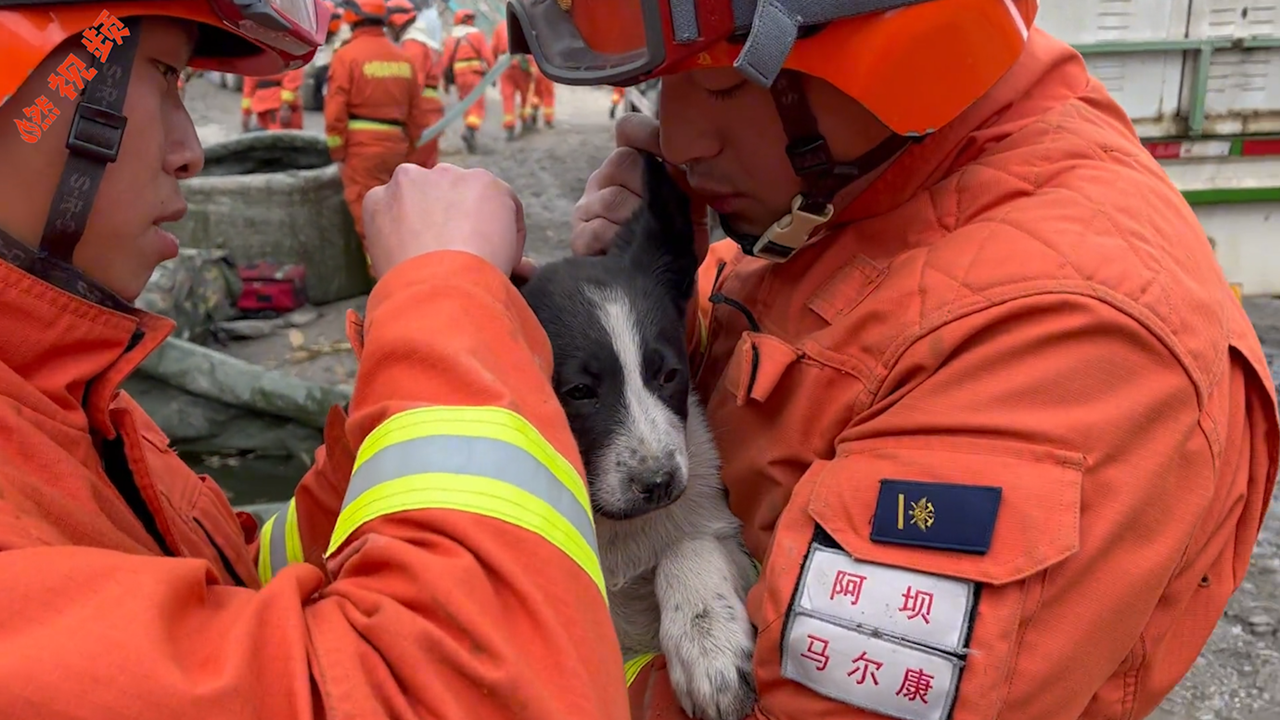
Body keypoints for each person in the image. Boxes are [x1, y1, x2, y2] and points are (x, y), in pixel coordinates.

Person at [506, 0, 1280, 718]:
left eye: (721, 85)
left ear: (903, 53)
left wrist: (509, 668)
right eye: (662, 91)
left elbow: (807, 703)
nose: (678, 142)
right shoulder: (853, 186)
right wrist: (659, 295)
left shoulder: (1067, 335)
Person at [0, 1, 625, 717]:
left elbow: (241, 582)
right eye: (167, 73)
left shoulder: (65, 402)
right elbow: (474, 690)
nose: (190, 150)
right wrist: (444, 311)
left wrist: (417, 384)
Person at [325, 0, 430, 254]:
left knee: (368, 216)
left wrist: (337, 152)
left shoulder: (346, 56)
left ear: (352, 18)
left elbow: (335, 110)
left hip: (362, 150)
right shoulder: (403, 58)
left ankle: (382, 278)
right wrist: (411, 152)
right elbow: (417, 115)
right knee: (396, 210)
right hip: (397, 146)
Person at [387, 0, 445, 167]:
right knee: (427, 164)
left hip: (422, 112)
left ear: (396, 23)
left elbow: (413, 85)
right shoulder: (424, 40)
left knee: (416, 166)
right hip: (429, 111)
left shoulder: (412, 45)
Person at [441, 8, 494, 153]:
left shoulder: (451, 38)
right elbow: (487, 55)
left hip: (459, 76)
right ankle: (470, 131)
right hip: (474, 74)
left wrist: (445, 83)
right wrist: (493, 73)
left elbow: (445, 63)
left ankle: (469, 132)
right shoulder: (477, 35)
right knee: (477, 106)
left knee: (466, 105)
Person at [491, 18, 534, 142]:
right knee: (525, 95)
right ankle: (526, 120)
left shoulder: (500, 26)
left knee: (508, 97)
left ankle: (509, 127)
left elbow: (493, 49)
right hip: (522, 65)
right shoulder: (527, 24)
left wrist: (491, 71)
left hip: (505, 66)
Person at [240, 67, 305, 131]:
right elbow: (249, 87)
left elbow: (292, 79)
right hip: (266, 109)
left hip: (278, 107)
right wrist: (246, 113)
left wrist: (285, 106)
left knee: (280, 138)